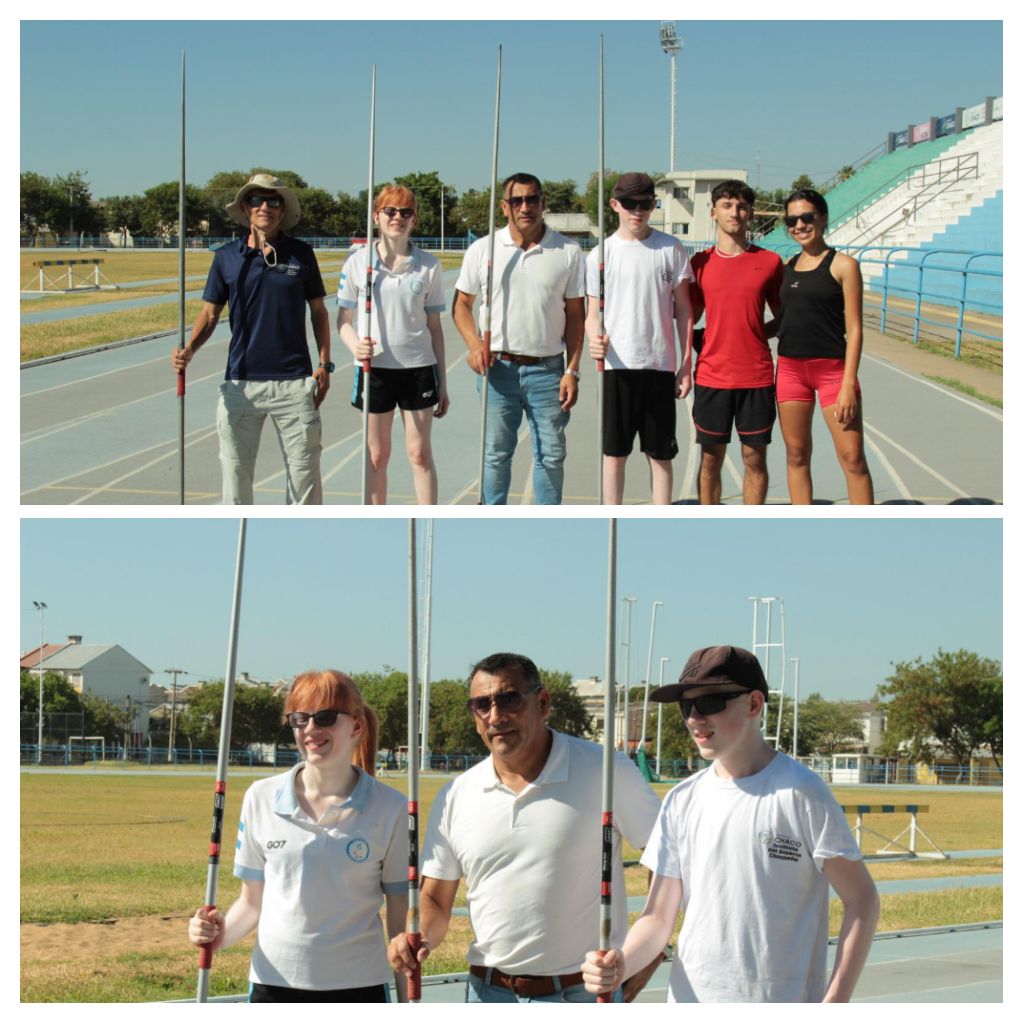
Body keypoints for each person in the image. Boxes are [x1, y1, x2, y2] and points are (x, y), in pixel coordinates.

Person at [582, 645, 879, 1003]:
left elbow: (862, 900)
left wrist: (836, 1001)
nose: (694, 718)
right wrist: (622, 963)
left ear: (754, 704)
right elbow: (658, 918)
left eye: (709, 702)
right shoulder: (681, 800)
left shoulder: (802, 793)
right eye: (686, 707)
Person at [387, 652, 662, 1002]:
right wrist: (418, 935)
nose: (495, 716)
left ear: (543, 702)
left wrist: (649, 951)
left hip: (581, 992)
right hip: (486, 992)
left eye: (509, 699)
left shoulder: (607, 771)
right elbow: (435, 900)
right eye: (482, 705)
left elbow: (665, 860)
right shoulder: (456, 794)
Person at [187, 670, 409, 1002]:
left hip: (359, 986)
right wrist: (216, 935)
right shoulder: (260, 797)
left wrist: (407, 1001)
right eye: (299, 719)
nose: (311, 729)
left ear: (356, 726)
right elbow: (251, 903)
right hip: (274, 985)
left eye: (326, 717)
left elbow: (399, 915)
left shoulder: (391, 806)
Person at [171, 174, 331, 505]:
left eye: (273, 201)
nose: (264, 207)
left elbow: (318, 311)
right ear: (245, 208)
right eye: (256, 200)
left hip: (294, 383)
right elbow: (210, 314)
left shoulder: (301, 254)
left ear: (283, 209)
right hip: (241, 384)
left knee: (304, 479)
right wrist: (189, 350)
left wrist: (324, 363)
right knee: (235, 477)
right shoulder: (227, 258)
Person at [453, 173, 585, 504]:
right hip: (498, 370)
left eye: (532, 199)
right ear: (504, 207)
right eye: (516, 201)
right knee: (496, 454)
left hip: (548, 371)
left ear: (543, 202)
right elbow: (461, 305)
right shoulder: (483, 249)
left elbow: (575, 316)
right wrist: (473, 346)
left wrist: (572, 370)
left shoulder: (568, 251)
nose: (525, 207)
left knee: (551, 455)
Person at [586, 172, 695, 504]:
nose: (637, 211)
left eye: (645, 204)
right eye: (629, 204)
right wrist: (594, 338)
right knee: (614, 456)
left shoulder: (671, 248)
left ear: (653, 205)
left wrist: (686, 365)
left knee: (660, 455)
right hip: (617, 367)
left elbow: (684, 310)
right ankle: (611, 516)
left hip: (659, 366)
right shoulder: (600, 255)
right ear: (614, 204)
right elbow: (592, 314)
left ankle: (662, 517)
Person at [337, 185, 449, 504]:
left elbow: (435, 328)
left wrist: (442, 382)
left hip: (418, 369)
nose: (397, 217)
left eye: (405, 212)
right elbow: (343, 321)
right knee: (376, 456)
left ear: (414, 219)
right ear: (377, 217)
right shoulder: (358, 263)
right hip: (374, 371)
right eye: (390, 211)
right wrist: (356, 346)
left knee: (419, 454)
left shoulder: (428, 265)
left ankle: (428, 519)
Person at [776, 188, 874, 504]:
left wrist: (848, 385)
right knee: (796, 455)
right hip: (790, 372)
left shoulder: (844, 265)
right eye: (791, 220)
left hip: (833, 373)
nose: (799, 225)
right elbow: (786, 320)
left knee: (853, 459)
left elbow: (855, 329)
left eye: (807, 217)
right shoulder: (787, 265)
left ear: (823, 218)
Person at [689, 180, 783, 504]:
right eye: (727, 205)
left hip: (756, 376)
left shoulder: (769, 262)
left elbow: (784, 317)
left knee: (754, 458)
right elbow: (687, 317)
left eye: (742, 206)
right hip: (712, 376)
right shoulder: (699, 263)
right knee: (710, 458)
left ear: (751, 213)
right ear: (713, 212)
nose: (735, 212)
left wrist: (754, 334)